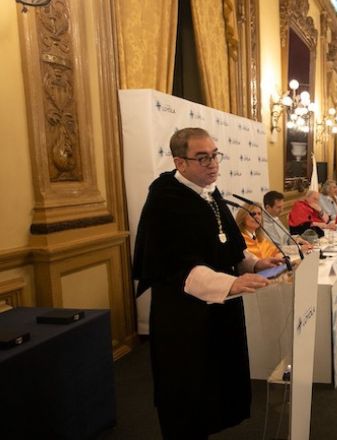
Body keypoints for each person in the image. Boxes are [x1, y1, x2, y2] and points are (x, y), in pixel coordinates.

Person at [132, 127, 283, 439]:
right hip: (183, 315)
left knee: (216, 384)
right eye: (203, 158)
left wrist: (255, 264)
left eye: (215, 155)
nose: (213, 163)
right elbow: (174, 266)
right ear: (180, 162)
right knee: (187, 389)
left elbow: (227, 247)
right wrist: (228, 284)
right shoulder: (164, 200)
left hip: (218, 308)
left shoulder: (210, 194)